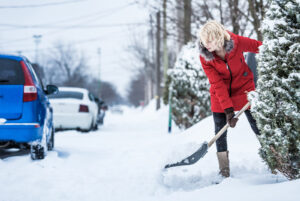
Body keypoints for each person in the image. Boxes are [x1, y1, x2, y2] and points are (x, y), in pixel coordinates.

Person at [197, 20, 262, 178]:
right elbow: (217, 83)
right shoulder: (206, 57)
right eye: (205, 42)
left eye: (210, 40)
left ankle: (276, 159)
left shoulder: (237, 42)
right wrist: (228, 110)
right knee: (220, 132)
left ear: (219, 36)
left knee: (258, 125)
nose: (207, 45)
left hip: (244, 88)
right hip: (221, 94)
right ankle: (224, 171)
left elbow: (260, 47)